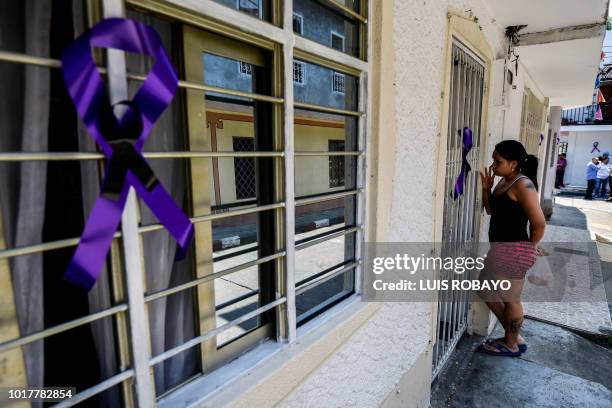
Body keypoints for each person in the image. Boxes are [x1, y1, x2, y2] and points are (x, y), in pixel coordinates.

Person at [477, 140, 546, 357]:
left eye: (498, 161)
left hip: (515, 250)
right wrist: (487, 189)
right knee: (484, 288)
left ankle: (511, 343)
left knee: (511, 300)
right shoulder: (503, 181)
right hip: (500, 249)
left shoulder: (523, 185)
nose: (493, 165)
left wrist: (529, 248)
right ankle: (512, 335)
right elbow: (490, 211)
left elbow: (539, 224)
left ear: (514, 163)